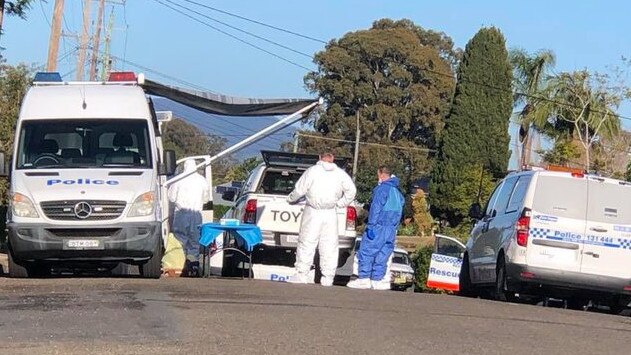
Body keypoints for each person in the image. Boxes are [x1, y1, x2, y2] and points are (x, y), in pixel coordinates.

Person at [286, 152, 356, 286]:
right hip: (330, 212)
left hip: (313, 211)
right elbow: (351, 191)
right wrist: (340, 204)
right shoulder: (340, 174)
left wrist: (290, 199)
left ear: (319, 158)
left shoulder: (312, 171)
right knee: (329, 245)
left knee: (307, 243)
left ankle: (302, 274)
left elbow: (299, 190)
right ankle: (328, 277)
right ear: (333, 159)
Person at [347, 166, 404, 290]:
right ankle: (377, 280)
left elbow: (375, 208)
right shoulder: (397, 192)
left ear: (381, 174)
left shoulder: (381, 190)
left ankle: (364, 278)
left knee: (367, 252)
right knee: (383, 254)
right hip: (391, 229)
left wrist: (371, 225)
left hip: (378, 227)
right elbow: (400, 210)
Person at [168, 159, 210, 277]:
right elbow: (206, 199)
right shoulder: (202, 181)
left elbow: (171, 197)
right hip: (196, 214)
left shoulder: (178, 180)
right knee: (194, 240)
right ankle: (193, 264)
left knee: (180, 239)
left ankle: (179, 264)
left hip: (181, 213)